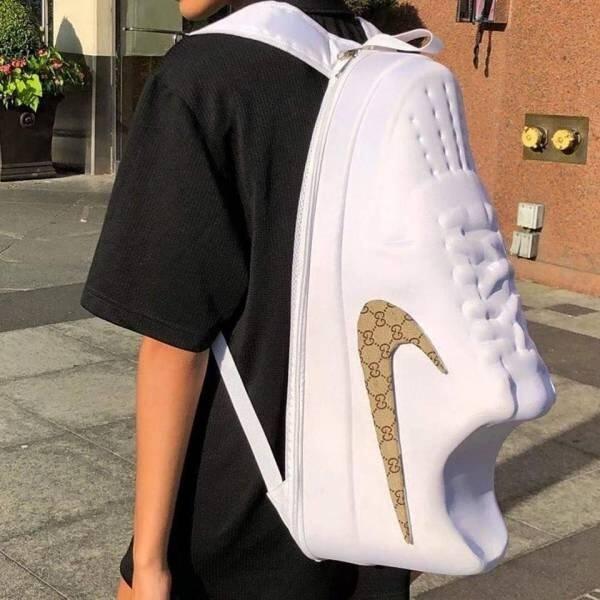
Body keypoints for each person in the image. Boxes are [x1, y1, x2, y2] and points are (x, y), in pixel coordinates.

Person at [80, 0, 415, 598]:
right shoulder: (402, 70)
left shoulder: (204, 77)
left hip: (240, 505)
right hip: (377, 500)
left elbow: (173, 344)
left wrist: (148, 562)